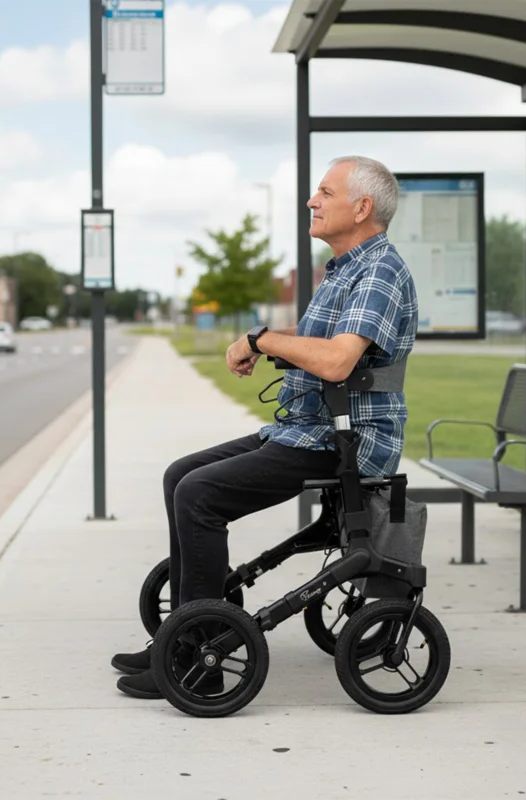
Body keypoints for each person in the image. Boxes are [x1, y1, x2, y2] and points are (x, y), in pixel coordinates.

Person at [112, 155, 419, 699]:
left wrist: (261, 339)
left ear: (362, 208)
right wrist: (265, 342)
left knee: (199, 494)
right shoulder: (347, 269)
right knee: (180, 475)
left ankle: (196, 657)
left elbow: (337, 361)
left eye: (325, 192)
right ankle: (180, 635)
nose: (312, 201)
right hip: (310, 427)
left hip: (348, 440)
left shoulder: (380, 272)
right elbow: (319, 341)